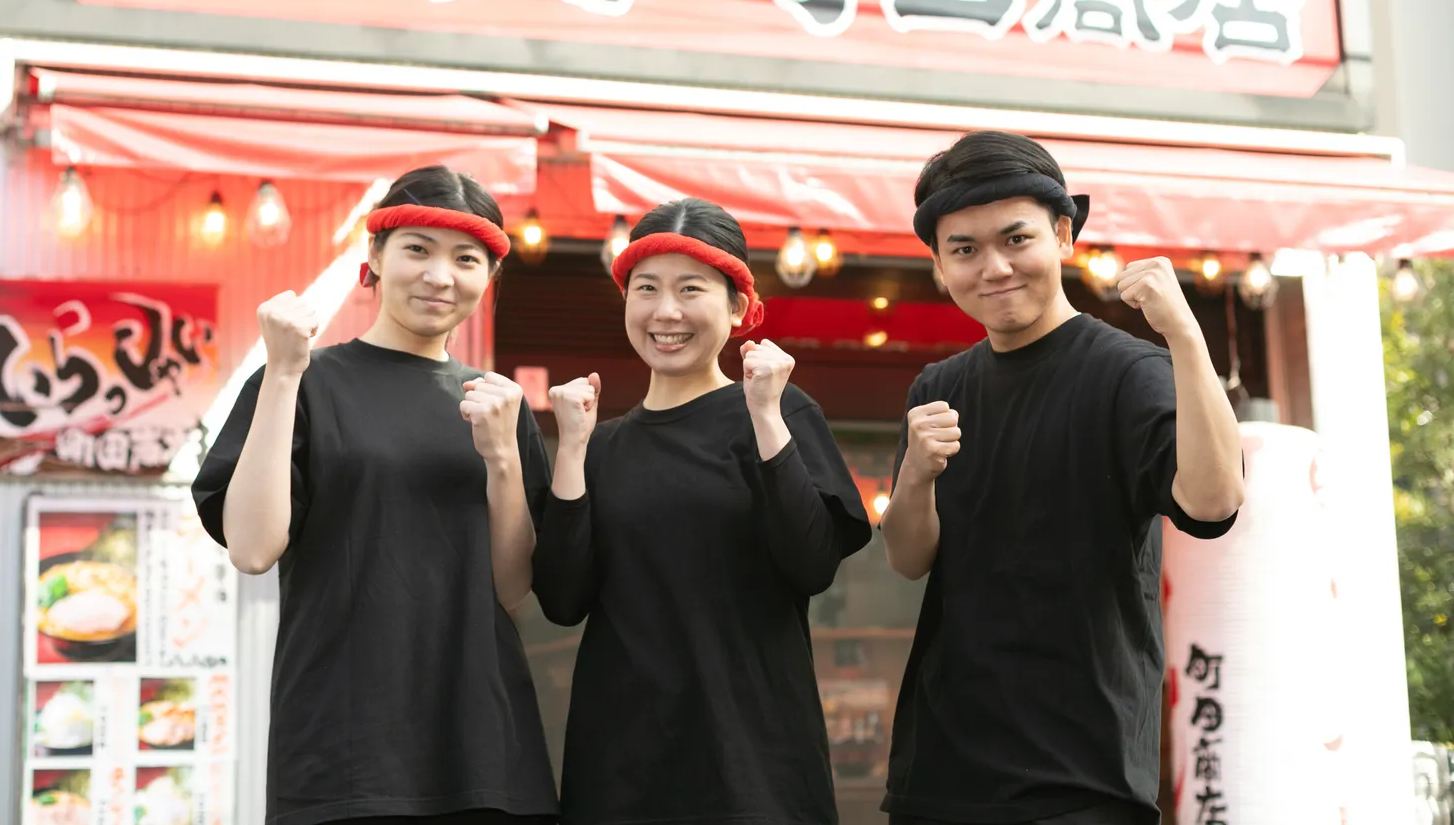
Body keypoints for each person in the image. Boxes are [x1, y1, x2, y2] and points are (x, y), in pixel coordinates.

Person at [879, 131, 1245, 825]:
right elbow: (907, 557)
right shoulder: (938, 387)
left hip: (1084, 775)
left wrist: (1184, 336)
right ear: (940, 265)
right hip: (941, 772)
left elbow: (1214, 500)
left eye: (1016, 239)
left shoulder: (1127, 372)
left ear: (1063, 235)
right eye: (965, 249)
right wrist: (917, 475)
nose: (993, 267)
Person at [192, 166, 558, 825]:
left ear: (489, 277)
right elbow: (251, 547)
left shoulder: (499, 405)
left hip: (480, 746)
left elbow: (512, 589)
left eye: (466, 259)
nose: (440, 275)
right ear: (376, 258)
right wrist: (282, 372)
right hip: (342, 746)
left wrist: (504, 456)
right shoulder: (307, 381)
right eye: (418, 249)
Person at [533, 198, 871, 825]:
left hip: (752, 762)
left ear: (738, 306)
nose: (666, 311)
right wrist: (572, 450)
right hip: (621, 767)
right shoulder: (600, 444)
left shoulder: (782, 412)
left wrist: (765, 413)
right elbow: (561, 599)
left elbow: (811, 565)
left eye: (691, 289)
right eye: (646, 289)